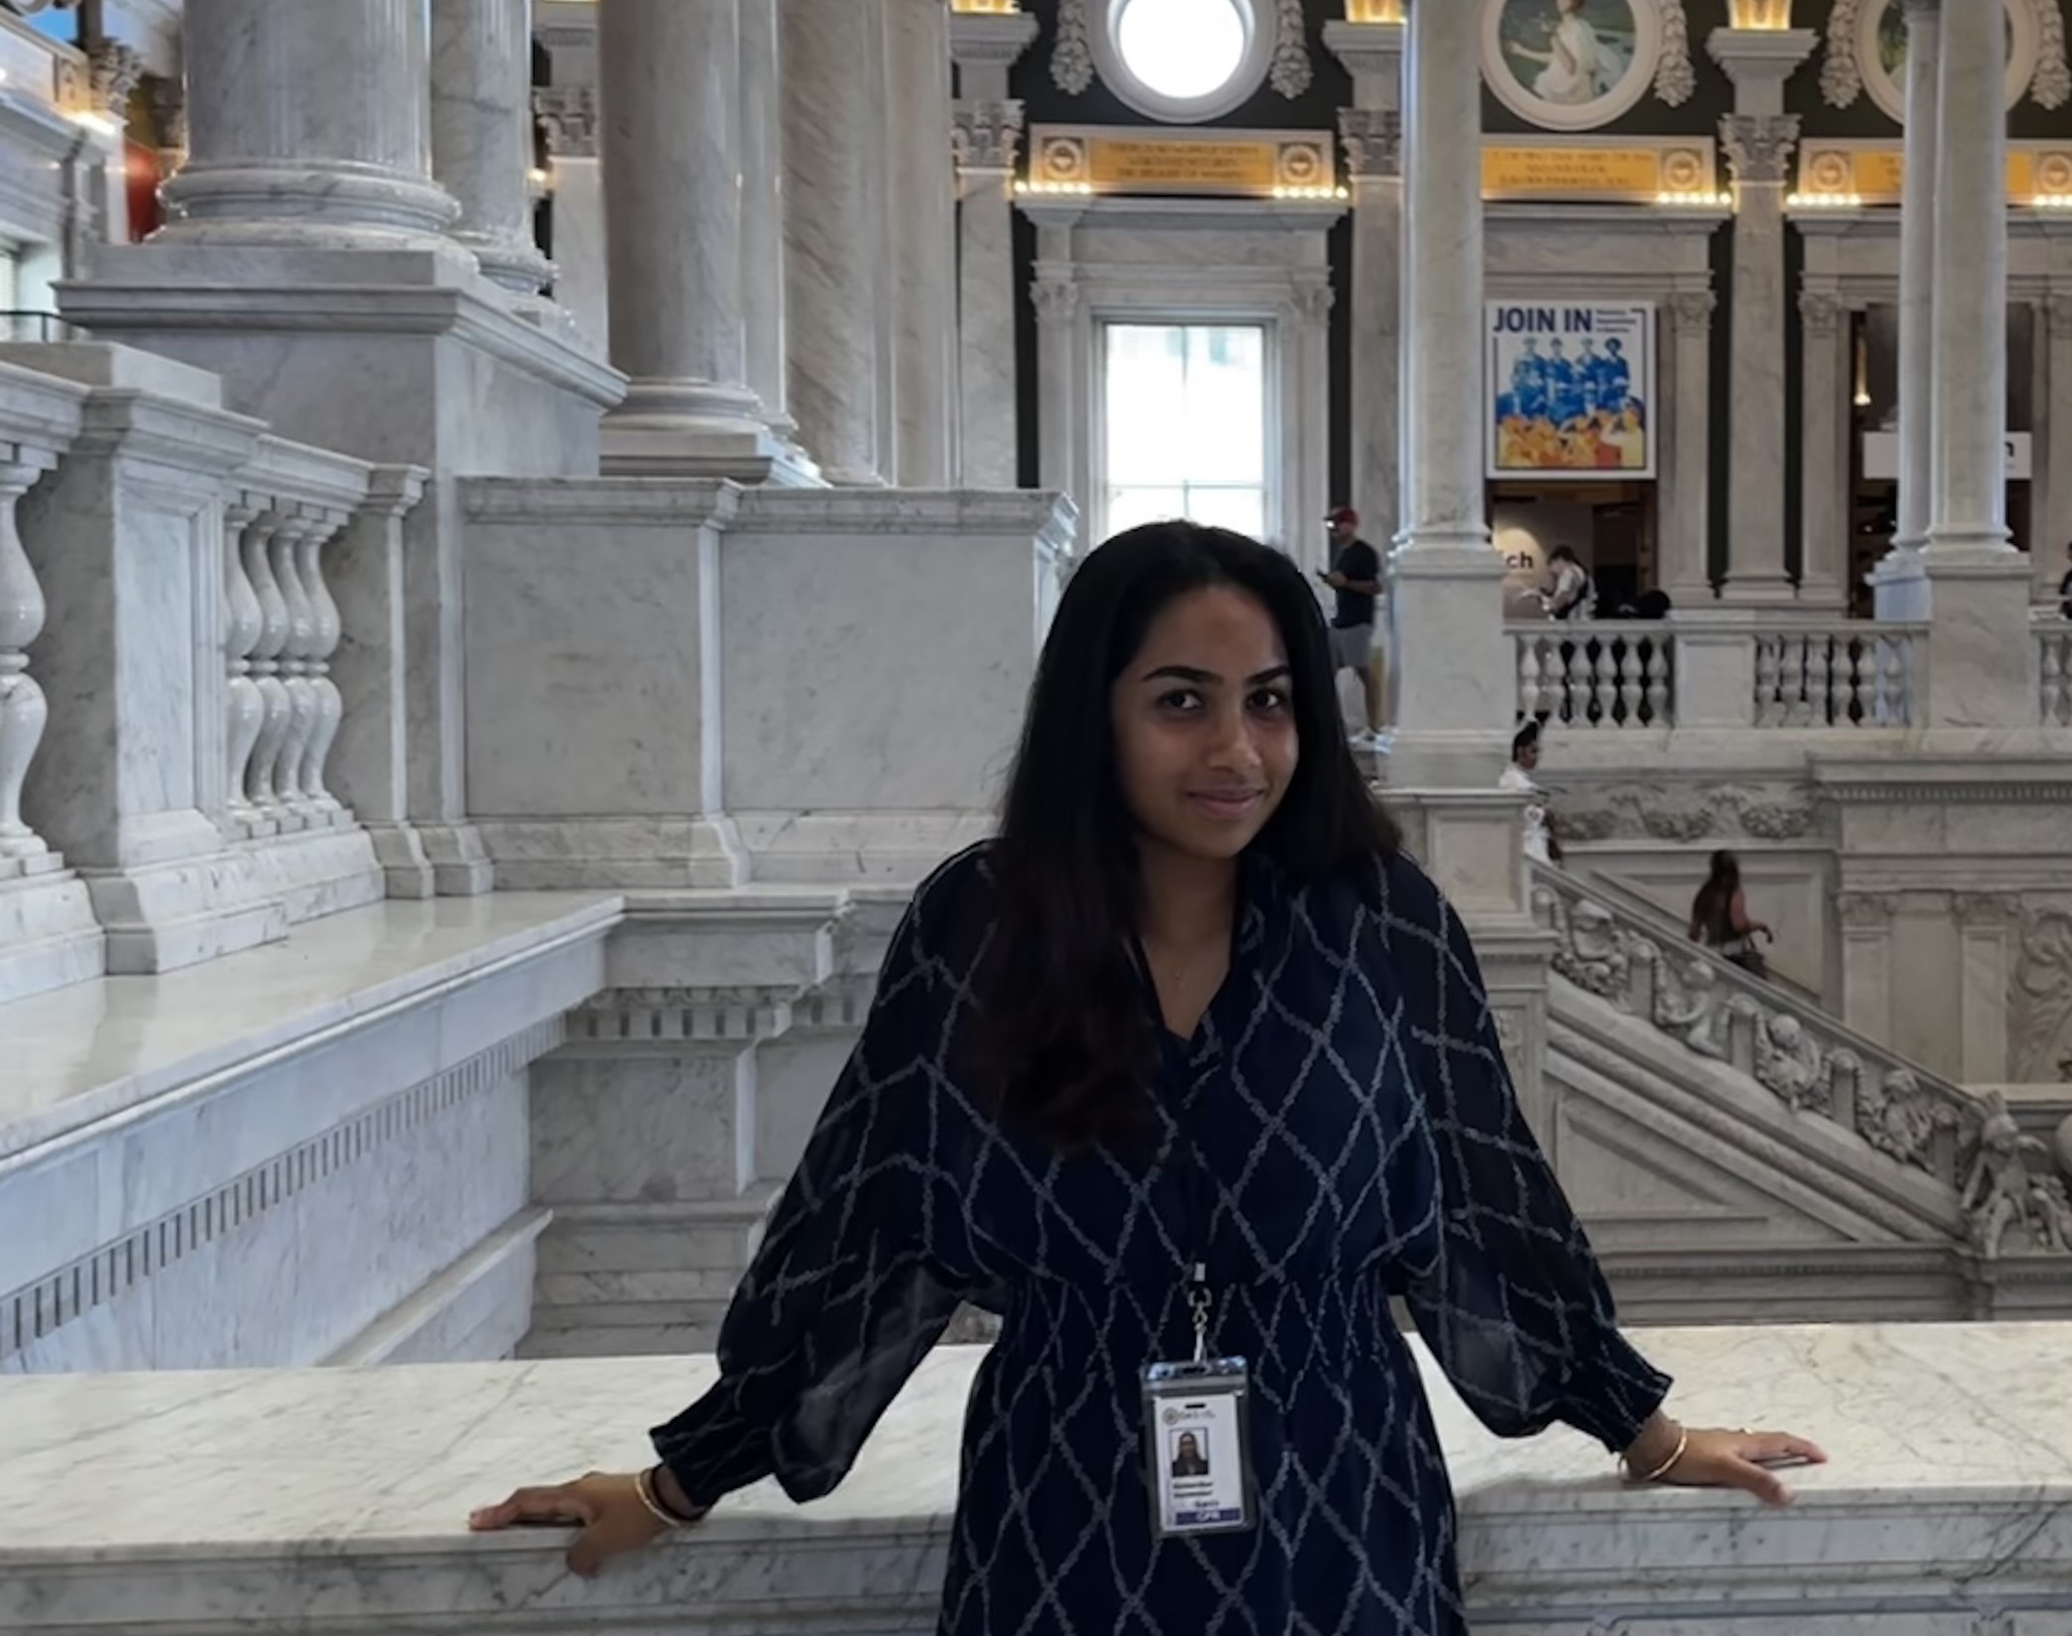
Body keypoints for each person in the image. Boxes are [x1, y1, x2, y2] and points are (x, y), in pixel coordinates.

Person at [466, 522, 1822, 1632]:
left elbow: (1488, 1202)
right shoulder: (978, 931)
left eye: (1271, 704)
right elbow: (866, 1220)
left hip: (1339, 1515)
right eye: (1182, 703)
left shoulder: (1383, 929)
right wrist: (680, 1475)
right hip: (1066, 1520)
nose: (1236, 753)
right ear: (1094, 716)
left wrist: (1639, 1428)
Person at [1320, 507, 1385, 737]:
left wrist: (1345, 583)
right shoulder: (1342, 553)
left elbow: (1375, 587)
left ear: (1350, 524)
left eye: (1337, 523)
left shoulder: (1364, 553)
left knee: (1364, 672)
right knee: (1326, 671)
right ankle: (1331, 725)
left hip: (1358, 621)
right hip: (1340, 620)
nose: (1333, 529)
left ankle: (1374, 725)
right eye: (1331, 525)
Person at [1687, 849, 1772, 980]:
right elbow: (1738, 924)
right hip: (1733, 953)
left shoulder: (1706, 892)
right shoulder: (1733, 891)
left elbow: (1694, 930)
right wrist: (1761, 926)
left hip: (1711, 951)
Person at [1500, 719, 1562, 867]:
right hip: (1525, 846)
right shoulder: (1511, 780)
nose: (1537, 757)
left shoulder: (1523, 780)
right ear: (1520, 752)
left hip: (1536, 844)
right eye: (1533, 751)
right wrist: (1545, 814)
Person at [1533, 544, 1593, 621]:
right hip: (1583, 620)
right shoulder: (1584, 575)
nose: (1552, 573)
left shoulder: (1568, 574)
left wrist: (1540, 597)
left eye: (1552, 566)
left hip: (1570, 624)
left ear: (1559, 560)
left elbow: (1557, 604)